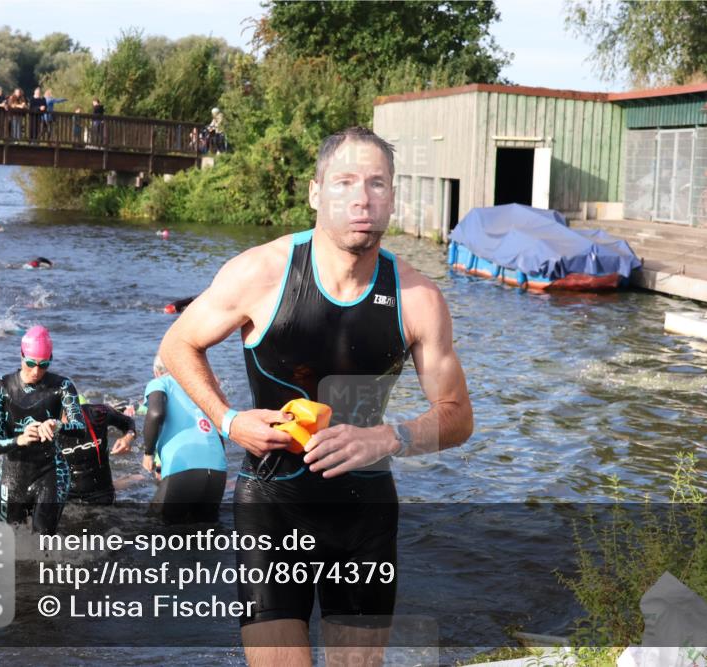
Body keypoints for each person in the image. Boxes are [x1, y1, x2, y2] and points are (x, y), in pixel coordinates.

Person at [158, 126, 473, 664]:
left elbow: (458, 416)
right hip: (273, 506)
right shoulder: (262, 273)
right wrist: (230, 420)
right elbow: (178, 343)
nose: (361, 198)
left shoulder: (417, 298)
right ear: (315, 193)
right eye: (345, 182)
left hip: (365, 516)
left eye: (376, 184)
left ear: (392, 197)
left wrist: (389, 438)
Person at [0, 325, 85, 534]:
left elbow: (80, 428)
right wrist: (19, 440)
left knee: (43, 541)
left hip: (51, 471)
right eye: (30, 363)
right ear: (21, 356)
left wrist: (58, 425)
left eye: (43, 365)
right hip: (13, 474)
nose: (36, 371)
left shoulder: (63, 386)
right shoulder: (0, 387)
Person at [142, 356, 226, 524]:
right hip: (218, 469)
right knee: (207, 533)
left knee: (155, 530)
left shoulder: (160, 382)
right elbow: (219, 426)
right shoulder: (202, 387)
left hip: (183, 469)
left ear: (156, 371)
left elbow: (155, 413)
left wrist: (148, 453)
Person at [60, 399, 136, 505]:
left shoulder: (96, 412)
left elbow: (128, 422)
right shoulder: (40, 428)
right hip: (66, 500)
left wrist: (128, 437)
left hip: (102, 494)